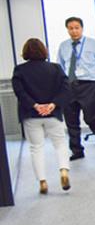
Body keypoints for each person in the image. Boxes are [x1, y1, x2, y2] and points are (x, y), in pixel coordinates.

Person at [12, 38, 71, 194]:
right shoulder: (56, 68)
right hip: (53, 114)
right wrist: (53, 104)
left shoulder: (20, 70)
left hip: (31, 114)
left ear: (25, 52)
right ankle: (64, 171)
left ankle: (42, 181)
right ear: (44, 51)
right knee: (60, 143)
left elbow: (19, 92)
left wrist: (35, 105)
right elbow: (65, 89)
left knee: (36, 147)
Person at [56, 16, 95, 159]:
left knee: (91, 118)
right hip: (69, 85)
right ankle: (77, 151)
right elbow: (60, 67)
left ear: (82, 28)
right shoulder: (63, 46)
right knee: (71, 121)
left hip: (87, 85)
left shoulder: (93, 43)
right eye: (71, 28)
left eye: (77, 28)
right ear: (67, 30)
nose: (74, 31)